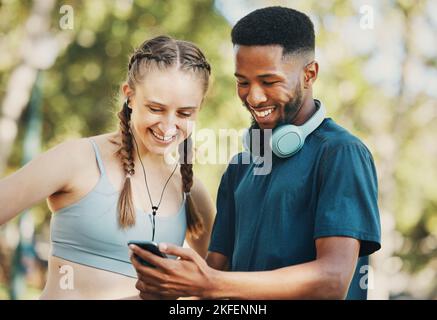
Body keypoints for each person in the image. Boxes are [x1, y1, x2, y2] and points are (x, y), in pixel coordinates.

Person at [130, 7, 381, 300]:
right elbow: (214, 279)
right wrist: (173, 285)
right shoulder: (240, 168)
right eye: (243, 82)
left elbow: (332, 280)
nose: (254, 97)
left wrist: (210, 283)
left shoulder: (341, 154)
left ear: (309, 74)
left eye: (269, 81)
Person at [0, 35, 215, 299]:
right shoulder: (78, 160)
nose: (169, 126)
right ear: (130, 96)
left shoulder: (190, 191)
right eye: (156, 108)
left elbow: (210, 287)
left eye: (184, 113)